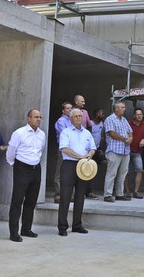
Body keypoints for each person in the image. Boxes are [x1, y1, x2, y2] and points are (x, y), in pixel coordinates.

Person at [6, 109, 45, 242]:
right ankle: (13, 232)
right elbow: (11, 151)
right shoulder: (19, 133)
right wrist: (14, 164)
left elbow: (41, 150)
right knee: (17, 200)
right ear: (28, 118)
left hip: (36, 169)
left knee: (31, 200)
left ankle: (26, 229)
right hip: (22, 168)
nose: (38, 119)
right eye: (35, 117)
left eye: (40, 117)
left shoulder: (42, 134)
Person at [57, 109, 96, 237]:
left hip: (84, 166)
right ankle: (62, 227)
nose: (79, 118)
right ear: (71, 118)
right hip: (69, 165)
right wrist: (80, 156)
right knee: (65, 196)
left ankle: (77, 225)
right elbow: (64, 148)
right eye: (76, 116)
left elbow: (93, 148)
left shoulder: (87, 133)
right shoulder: (66, 132)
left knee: (80, 196)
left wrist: (89, 155)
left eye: (81, 116)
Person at [103, 101, 133, 202]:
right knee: (111, 173)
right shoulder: (110, 119)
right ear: (116, 108)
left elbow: (130, 131)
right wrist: (125, 139)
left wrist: (130, 138)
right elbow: (112, 133)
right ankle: (107, 194)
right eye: (122, 107)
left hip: (125, 151)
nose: (125, 109)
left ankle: (120, 193)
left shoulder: (124, 120)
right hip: (114, 150)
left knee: (123, 173)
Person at [127, 108, 144, 199]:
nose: (139, 116)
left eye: (140, 114)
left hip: (137, 151)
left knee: (140, 169)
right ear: (134, 115)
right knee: (125, 171)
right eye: (137, 114)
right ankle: (127, 191)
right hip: (127, 150)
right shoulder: (129, 123)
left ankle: (136, 191)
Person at [53, 102, 72, 204]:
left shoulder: (72, 120)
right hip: (63, 149)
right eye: (67, 108)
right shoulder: (61, 121)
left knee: (69, 172)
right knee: (60, 172)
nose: (69, 110)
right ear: (63, 110)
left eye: (70, 108)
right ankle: (58, 194)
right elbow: (66, 134)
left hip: (72, 150)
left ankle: (69, 194)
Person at [86, 108, 106, 199]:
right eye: (101, 113)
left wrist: (101, 148)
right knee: (90, 170)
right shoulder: (90, 123)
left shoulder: (102, 124)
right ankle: (89, 192)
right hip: (90, 150)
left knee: (106, 163)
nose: (103, 115)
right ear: (97, 114)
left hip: (97, 149)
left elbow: (102, 137)